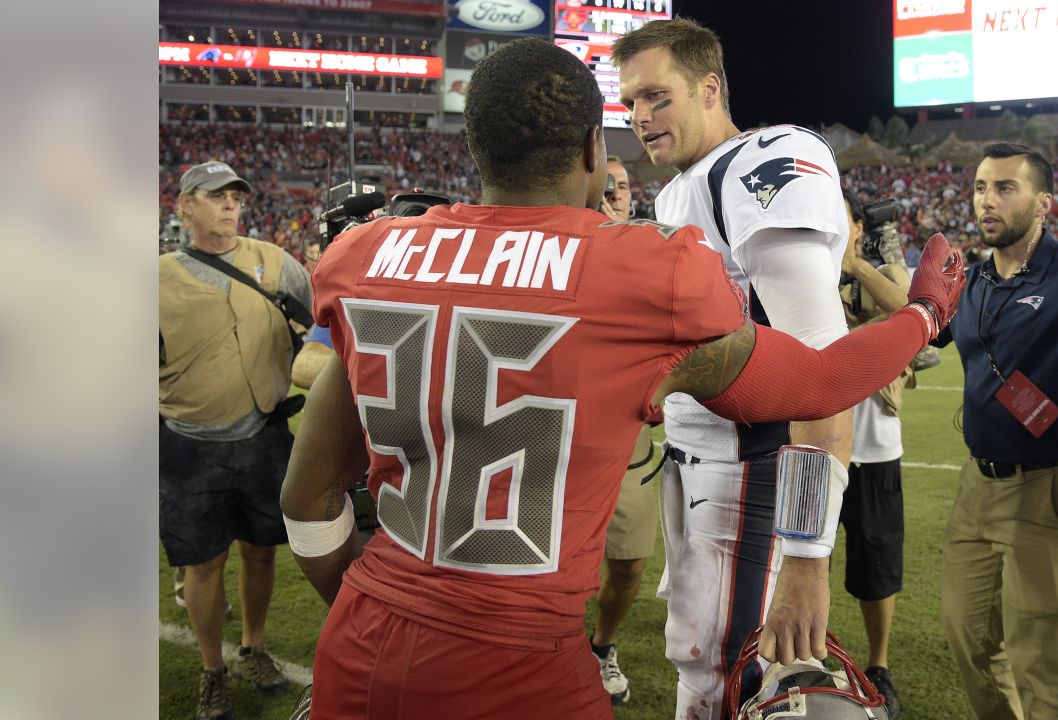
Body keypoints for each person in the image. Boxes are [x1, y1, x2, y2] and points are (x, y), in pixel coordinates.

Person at [280, 38, 965, 720]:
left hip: (359, 647)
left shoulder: (365, 252)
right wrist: (923, 314)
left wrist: (382, 607)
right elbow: (818, 381)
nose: (640, 116)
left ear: (474, 147)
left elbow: (306, 497)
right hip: (522, 664)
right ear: (591, 150)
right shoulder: (643, 270)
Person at [615, 19, 852, 719]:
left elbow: (821, 364)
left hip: (754, 466)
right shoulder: (679, 189)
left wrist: (808, 553)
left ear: (709, 88)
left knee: (731, 671)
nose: (639, 117)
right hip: (697, 460)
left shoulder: (763, 160)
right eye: (630, 102)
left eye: (657, 96)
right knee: (702, 654)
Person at [932, 143, 1058, 720]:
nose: (987, 200)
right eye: (981, 187)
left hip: (1054, 492)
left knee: (1042, 659)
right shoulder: (975, 281)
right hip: (977, 488)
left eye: (1005, 188)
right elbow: (922, 329)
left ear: (1044, 203)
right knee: (967, 637)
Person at [159, 160, 309, 720]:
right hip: (189, 444)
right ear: (185, 206)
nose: (229, 205)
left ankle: (253, 646)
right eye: (215, 196)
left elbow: (318, 323)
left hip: (264, 434)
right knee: (201, 564)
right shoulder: (156, 279)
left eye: (236, 197)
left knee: (262, 551)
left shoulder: (275, 262)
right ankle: (212, 670)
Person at [589, 153, 665, 705]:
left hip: (633, 443)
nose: (613, 195)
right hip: (563, 442)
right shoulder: (564, 248)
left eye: (621, 188)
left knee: (630, 562)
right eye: (605, 186)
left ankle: (601, 647)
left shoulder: (655, 253)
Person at [837, 192, 913, 720]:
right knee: (802, 559)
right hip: (812, 446)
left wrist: (856, 263)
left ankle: (879, 665)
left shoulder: (874, 271)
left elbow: (910, 311)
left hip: (875, 448)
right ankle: (805, 655)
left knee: (877, 565)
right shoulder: (798, 269)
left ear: (859, 225)